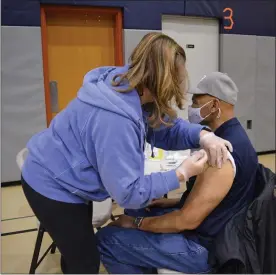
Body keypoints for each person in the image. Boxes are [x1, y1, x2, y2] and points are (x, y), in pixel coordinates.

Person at [21, 33, 232, 274]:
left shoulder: (128, 85)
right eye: (176, 79)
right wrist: (181, 174)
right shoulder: (115, 119)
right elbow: (129, 193)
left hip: (66, 173)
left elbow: (163, 127)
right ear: (162, 79)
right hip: (52, 184)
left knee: (78, 252)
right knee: (86, 263)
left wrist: (201, 135)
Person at [96, 72, 258, 274]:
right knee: (136, 208)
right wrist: (170, 203)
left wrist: (135, 224)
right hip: (214, 228)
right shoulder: (235, 137)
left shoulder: (222, 153)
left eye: (197, 102)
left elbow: (186, 220)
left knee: (107, 239)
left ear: (215, 105)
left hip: (204, 249)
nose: (192, 108)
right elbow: (224, 199)